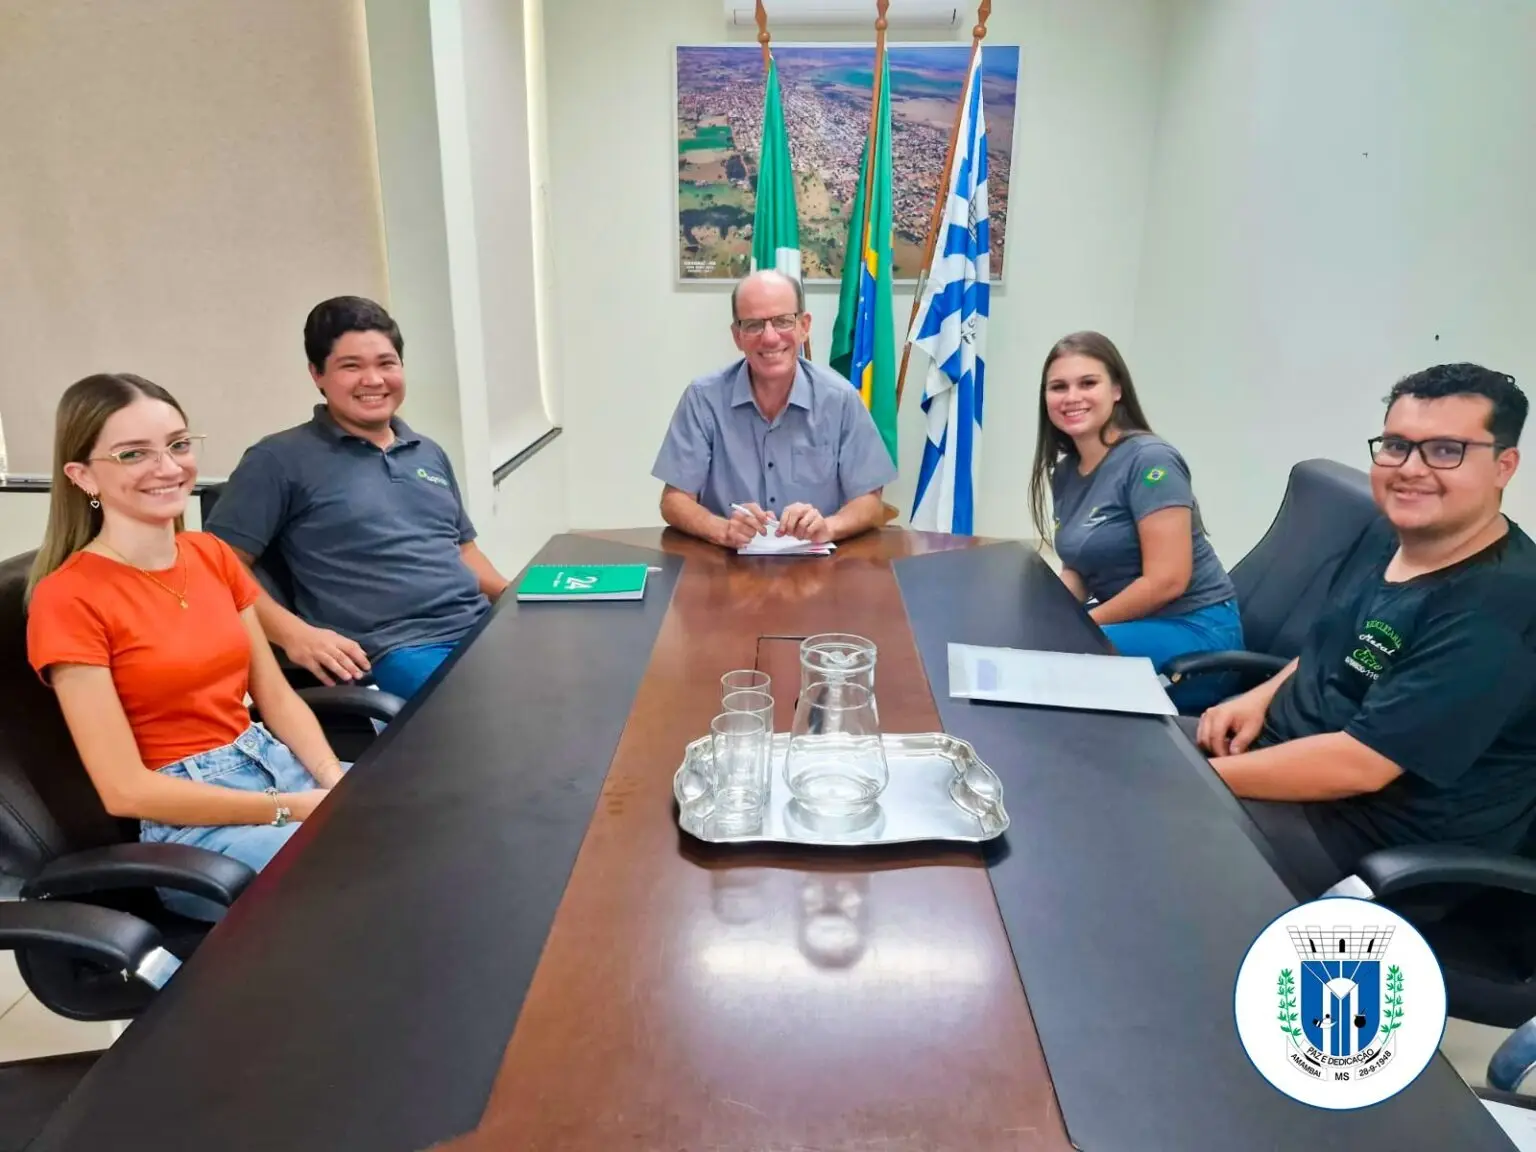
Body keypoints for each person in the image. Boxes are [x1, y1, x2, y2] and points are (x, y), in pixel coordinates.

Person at [1197, 363, 1536, 898]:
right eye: (1397, 445)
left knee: (1138, 828)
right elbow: (1333, 642)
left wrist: (1187, 782)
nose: (1411, 469)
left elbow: (1361, 766)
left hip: (1369, 839)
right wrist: (1261, 696)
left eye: (1446, 450)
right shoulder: (1392, 532)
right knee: (1101, 758)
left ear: (1504, 466)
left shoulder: (1498, 605)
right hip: (1288, 759)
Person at [26, 373, 347, 919]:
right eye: (134, 454)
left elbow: (276, 697)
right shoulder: (67, 598)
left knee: (418, 826)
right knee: (361, 877)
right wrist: (292, 808)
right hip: (195, 827)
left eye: (177, 445)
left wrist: (334, 781)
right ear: (82, 476)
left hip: (273, 763)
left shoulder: (210, 555)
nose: (169, 468)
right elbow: (125, 791)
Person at [204, 296, 510, 700]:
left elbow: (464, 551)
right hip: (392, 651)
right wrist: (294, 635)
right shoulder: (278, 459)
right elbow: (218, 564)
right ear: (317, 374)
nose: (373, 379)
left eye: (386, 363)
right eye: (351, 366)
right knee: (509, 714)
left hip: (479, 629)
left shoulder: (427, 451)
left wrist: (516, 597)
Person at [1028, 331, 1243, 710]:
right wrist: (1047, 617)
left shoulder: (1150, 460)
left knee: (1049, 668)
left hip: (1195, 633)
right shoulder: (1065, 472)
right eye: (1058, 387)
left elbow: (1167, 581)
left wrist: (1081, 625)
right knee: (1027, 648)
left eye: (1088, 383)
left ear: (1116, 390)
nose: (1071, 397)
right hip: (1132, 623)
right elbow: (1078, 569)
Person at [652, 270, 897, 548]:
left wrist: (827, 526)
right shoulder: (703, 398)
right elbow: (674, 501)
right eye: (754, 325)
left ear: (804, 326)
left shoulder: (840, 399)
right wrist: (723, 530)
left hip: (818, 569)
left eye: (783, 321)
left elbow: (870, 501)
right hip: (725, 568)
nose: (769, 338)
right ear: (737, 336)